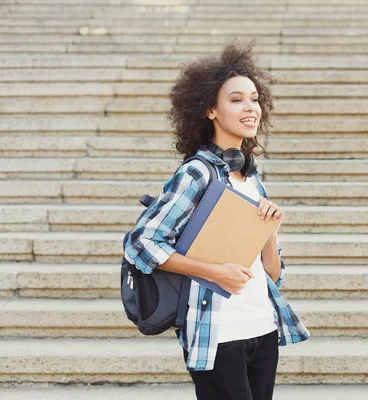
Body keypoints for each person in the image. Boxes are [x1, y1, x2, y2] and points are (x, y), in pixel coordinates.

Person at [123, 39, 310, 400]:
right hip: (217, 333)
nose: (250, 107)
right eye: (236, 99)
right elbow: (141, 243)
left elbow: (271, 274)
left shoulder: (253, 178)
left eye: (254, 98)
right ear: (210, 110)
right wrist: (213, 272)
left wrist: (269, 230)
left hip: (263, 327)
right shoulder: (196, 174)